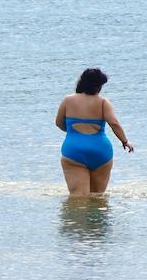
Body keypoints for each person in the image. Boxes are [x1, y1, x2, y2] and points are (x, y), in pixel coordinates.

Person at [55, 68, 132, 196]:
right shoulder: (103, 103)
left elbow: (58, 123)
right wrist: (125, 141)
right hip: (100, 151)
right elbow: (114, 123)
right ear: (98, 86)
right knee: (97, 197)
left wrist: (74, 134)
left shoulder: (68, 100)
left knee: (78, 197)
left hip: (74, 151)